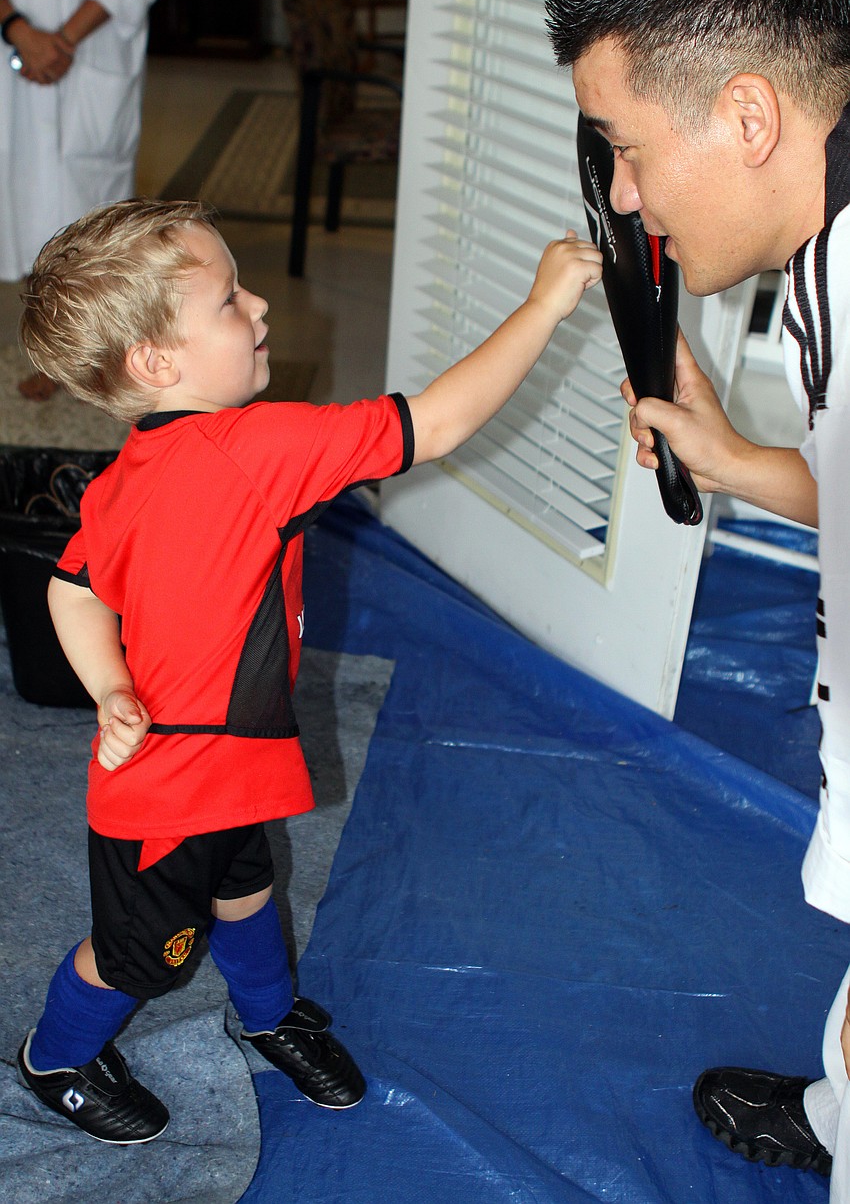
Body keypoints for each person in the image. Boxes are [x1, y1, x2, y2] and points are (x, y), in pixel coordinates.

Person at [14, 196, 602, 1144]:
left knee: (247, 885)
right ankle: (57, 1053)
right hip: (165, 791)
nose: (261, 309)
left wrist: (108, 683)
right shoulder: (260, 447)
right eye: (229, 300)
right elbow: (438, 423)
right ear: (156, 362)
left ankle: (267, 1010)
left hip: (227, 756)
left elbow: (73, 588)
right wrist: (543, 304)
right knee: (139, 957)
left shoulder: (126, 467)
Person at [545, 0, 850, 1195]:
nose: (619, 189)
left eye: (622, 146)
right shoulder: (817, 237)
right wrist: (736, 466)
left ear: (745, 114)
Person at [0, 0, 168, 283]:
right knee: (17, 216)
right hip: (12, 57)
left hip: (90, 55)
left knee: (91, 259)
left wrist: (63, 41)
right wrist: (17, 29)